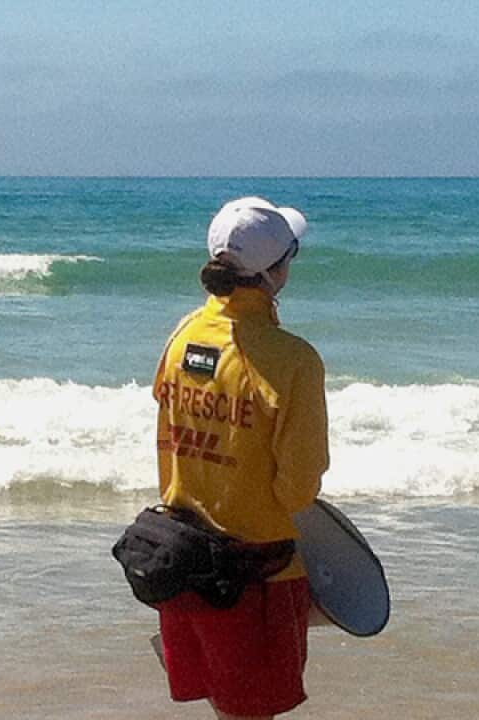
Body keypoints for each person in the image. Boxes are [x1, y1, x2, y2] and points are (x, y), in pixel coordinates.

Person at [151, 196, 329, 719]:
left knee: (227, 707)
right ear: (275, 271)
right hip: (255, 574)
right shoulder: (294, 360)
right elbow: (297, 490)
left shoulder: (182, 335)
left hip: (181, 557)